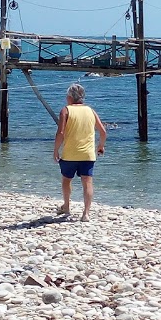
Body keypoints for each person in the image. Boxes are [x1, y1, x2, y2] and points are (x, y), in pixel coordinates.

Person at [53, 82, 107, 221]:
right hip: (88, 154)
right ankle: (86, 213)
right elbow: (103, 131)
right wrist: (100, 146)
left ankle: (66, 206)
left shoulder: (66, 110)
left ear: (70, 97)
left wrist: (55, 150)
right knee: (87, 182)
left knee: (66, 180)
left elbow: (61, 133)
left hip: (70, 153)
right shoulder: (90, 110)